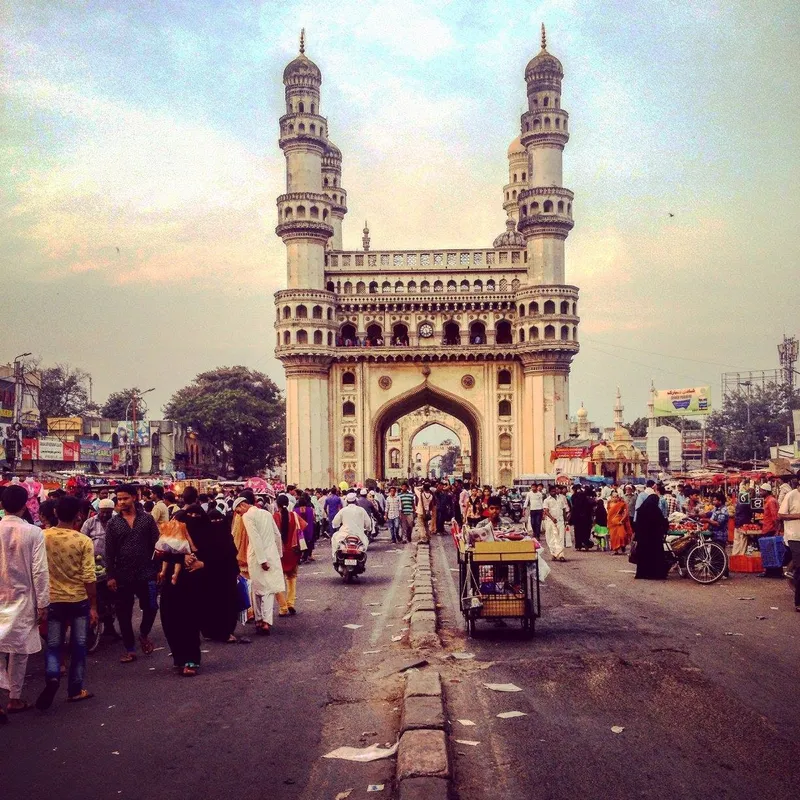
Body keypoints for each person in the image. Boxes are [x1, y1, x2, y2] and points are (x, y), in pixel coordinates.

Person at [36, 495, 97, 709]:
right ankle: (75, 690)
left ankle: (53, 677)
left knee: (54, 645)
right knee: (79, 646)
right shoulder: (83, 541)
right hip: (78, 599)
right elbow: (89, 576)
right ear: (79, 515)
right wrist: (93, 605)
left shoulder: (42, 537)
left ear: (54, 513)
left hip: (52, 599)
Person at [0, 484, 49, 722]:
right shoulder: (33, 532)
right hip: (22, 598)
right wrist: (43, 603)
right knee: (19, 650)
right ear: (24, 506)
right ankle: (14, 697)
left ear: (2, 505)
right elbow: (40, 571)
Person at [105, 485, 161, 663]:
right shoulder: (113, 524)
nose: (121, 502)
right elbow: (109, 552)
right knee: (123, 613)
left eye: (125, 498)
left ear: (134, 498)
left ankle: (143, 633)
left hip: (147, 573)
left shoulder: (147, 520)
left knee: (151, 607)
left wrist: (159, 569)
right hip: (123, 575)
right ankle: (130, 649)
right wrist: (110, 575)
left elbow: (157, 545)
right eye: (119, 499)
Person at [156, 505, 206, 675]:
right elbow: (158, 555)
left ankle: (191, 660)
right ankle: (179, 657)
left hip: (192, 586)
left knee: (189, 622)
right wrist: (179, 557)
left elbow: (214, 556)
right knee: (170, 621)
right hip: (171, 586)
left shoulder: (203, 534)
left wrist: (202, 563)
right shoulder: (167, 537)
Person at [233, 497, 284, 635]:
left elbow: (255, 538)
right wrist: (278, 554)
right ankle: (266, 622)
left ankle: (259, 620)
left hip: (257, 557)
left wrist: (262, 560)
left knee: (257, 589)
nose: (238, 514)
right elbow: (277, 535)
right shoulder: (266, 513)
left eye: (238, 511)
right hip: (271, 554)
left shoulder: (248, 516)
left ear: (243, 505)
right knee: (268, 589)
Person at [201, 507, 242, 642]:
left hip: (223, 575)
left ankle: (224, 631)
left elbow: (232, 555)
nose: (217, 522)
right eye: (213, 520)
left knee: (223, 603)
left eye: (219, 520)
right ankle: (213, 631)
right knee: (213, 603)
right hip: (213, 575)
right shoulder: (210, 537)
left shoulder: (220, 536)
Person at [80, 498, 118, 638]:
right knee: (96, 597)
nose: (105, 515)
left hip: (112, 565)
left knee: (111, 600)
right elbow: (82, 541)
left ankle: (110, 627)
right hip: (94, 565)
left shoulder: (116, 521)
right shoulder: (89, 523)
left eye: (108, 512)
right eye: (103, 512)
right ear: (98, 511)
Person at [273, 494, 305, 616]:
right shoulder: (294, 516)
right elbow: (303, 528)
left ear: (277, 504)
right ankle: (290, 603)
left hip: (279, 553)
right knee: (291, 578)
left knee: (276, 581)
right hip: (293, 552)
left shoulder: (274, 517)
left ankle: (283, 607)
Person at [632, 491, 669, 580]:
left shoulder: (641, 510)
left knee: (643, 556)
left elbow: (637, 524)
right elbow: (662, 522)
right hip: (654, 539)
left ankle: (642, 574)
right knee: (655, 556)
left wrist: (637, 535)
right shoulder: (656, 511)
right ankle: (655, 574)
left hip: (643, 539)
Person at [778, 481, 800, 612]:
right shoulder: (791, 495)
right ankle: (798, 602)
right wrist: (797, 516)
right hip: (794, 536)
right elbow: (781, 515)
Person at [543, 485, 566, 561]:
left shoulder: (561, 499)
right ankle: (553, 554)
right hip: (551, 522)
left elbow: (563, 510)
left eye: (555, 491)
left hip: (560, 521)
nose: (554, 492)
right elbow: (546, 511)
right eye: (552, 491)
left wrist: (566, 520)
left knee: (561, 537)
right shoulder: (547, 500)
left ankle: (561, 555)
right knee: (551, 538)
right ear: (549, 492)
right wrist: (552, 519)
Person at [570, 485, 594, 551]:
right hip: (586, 518)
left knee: (577, 532)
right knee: (586, 532)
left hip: (577, 517)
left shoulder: (574, 496)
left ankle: (578, 545)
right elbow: (591, 506)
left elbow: (573, 505)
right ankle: (586, 544)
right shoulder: (586, 498)